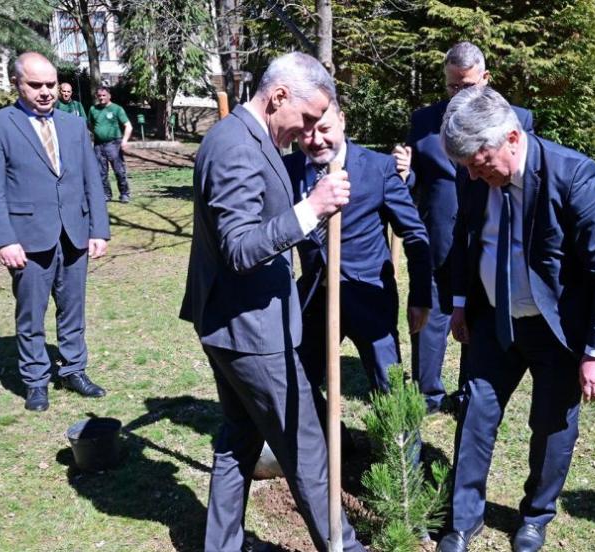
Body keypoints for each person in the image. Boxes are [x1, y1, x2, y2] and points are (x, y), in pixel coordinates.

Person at [178, 52, 366, 552]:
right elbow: (240, 247)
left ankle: (222, 546)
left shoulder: (250, 138)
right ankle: (344, 547)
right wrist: (312, 209)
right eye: (306, 117)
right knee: (306, 448)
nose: (308, 131)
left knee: (238, 439)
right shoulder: (236, 147)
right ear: (279, 96)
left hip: (232, 322)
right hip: (251, 331)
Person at [434, 86, 595, 552]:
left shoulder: (573, 175)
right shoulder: (474, 174)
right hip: (494, 319)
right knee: (475, 414)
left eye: (481, 164)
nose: (474, 176)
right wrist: (460, 301)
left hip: (558, 328)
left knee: (550, 425)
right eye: (467, 168)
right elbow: (465, 237)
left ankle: (536, 516)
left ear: (512, 138)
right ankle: (463, 520)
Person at [395, 42, 534, 414]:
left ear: (485, 78)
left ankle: (468, 390)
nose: (458, 93)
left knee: (478, 316)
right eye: (452, 86)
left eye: (467, 85)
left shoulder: (516, 119)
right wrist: (404, 174)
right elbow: (414, 182)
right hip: (438, 235)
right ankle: (428, 394)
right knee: (432, 315)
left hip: (486, 239)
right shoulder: (423, 122)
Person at [0, 52, 111, 412]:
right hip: (27, 238)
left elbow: (92, 180)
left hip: (75, 234)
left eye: (50, 84)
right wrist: (5, 240)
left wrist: (99, 229)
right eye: (36, 85)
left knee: (73, 310)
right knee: (31, 314)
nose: (46, 91)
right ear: (16, 83)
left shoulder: (73, 125)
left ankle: (73, 370)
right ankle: (36, 380)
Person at [283, 100, 432, 404]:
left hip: (369, 294)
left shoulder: (378, 168)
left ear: (342, 120)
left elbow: (414, 233)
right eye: (306, 132)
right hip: (314, 295)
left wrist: (420, 297)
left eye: (324, 128)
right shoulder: (288, 169)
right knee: (298, 382)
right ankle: (321, 434)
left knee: (388, 387)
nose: (316, 139)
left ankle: (399, 437)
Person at [88, 86, 132, 202]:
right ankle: (106, 195)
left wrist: (124, 141)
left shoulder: (117, 109)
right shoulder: (93, 109)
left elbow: (128, 126)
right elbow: (90, 125)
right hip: (98, 145)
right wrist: (98, 134)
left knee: (119, 171)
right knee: (101, 172)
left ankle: (124, 194)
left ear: (109, 96)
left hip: (114, 144)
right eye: (99, 96)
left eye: (104, 95)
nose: (101, 98)